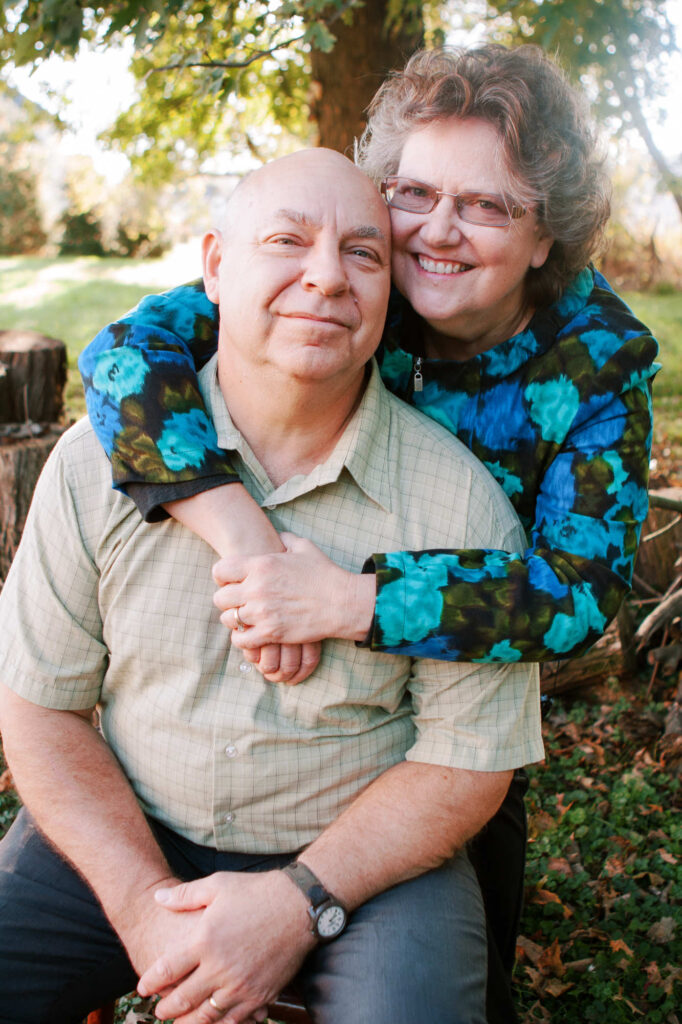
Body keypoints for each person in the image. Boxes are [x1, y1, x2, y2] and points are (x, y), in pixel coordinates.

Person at [77, 44, 660, 1021]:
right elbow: (121, 357)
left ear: (545, 233)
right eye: (413, 192)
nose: (434, 231)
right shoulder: (351, 282)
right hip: (274, 670)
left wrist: (352, 600)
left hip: (464, 695)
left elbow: (575, 598)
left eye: (483, 205)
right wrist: (246, 543)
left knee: (457, 943)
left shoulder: (595, 361)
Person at [0, 148, 543, 1024]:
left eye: (364, 253)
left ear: (389, 290)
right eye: (288, 240)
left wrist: (299, 902)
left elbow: (466, 763)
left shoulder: (461, 504)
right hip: (132, 824)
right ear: (215, 266)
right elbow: (36, 707)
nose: (326, 277)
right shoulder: (93, 460)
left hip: (364, 864)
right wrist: (141, 910)